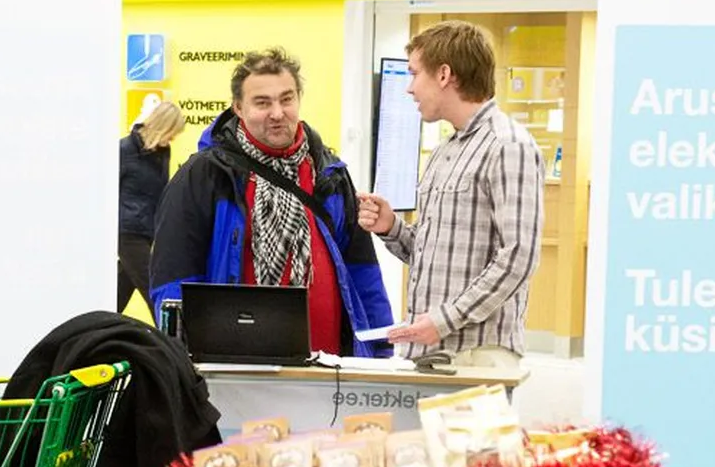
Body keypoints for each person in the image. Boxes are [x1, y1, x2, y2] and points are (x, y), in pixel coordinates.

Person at [150, 48, 393, 357]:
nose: (277, 113)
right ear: (238, 107)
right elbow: (173, 276)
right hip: (237, 371)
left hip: (328, 367)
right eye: (262, 102)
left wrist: (382, 353)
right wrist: (180, 360)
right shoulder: (204, 177)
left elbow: (363, 274)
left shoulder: (330, 175)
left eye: (286, 99)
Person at [358, 20, 544, 367]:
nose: (410, 88)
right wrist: (391, 228)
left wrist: (445, 320)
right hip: (432, 354)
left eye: (415, 74)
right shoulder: (446, 150)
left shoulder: (508, 145)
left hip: (476, 355)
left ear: (444, 75)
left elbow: (519, 256)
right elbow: (435, 254)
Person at [118, 101, 186, 312]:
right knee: (154, 291)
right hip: (127, 232)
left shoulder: (162, 152)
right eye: (172, 132)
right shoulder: (124, 150)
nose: (173, 138)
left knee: (119, 292)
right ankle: (170, 342)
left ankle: (93, 333)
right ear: (163, 126)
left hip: (147, 231)